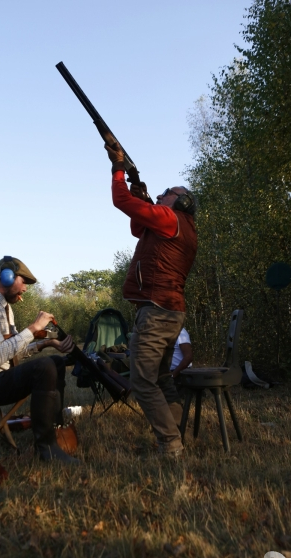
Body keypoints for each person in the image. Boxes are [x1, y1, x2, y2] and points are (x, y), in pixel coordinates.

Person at [103, 142, 197, 456]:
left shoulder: (171, 219)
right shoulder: (177, 225)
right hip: (171, 312)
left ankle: (170, 446)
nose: (160, 195)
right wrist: (139, 189)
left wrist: (118, 168)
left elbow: (120, 201)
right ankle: (176, 439)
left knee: (142, 380)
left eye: (166, 193)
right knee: (161, 378)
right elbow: (136, 226)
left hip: (156, 312)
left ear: (181, 201)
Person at [0, 255, 78, 464]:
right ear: (6, 277)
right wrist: (33, 329)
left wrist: (47, 344)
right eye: (23, 281)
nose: (25, 288)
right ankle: (46, 449)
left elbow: (12, 352)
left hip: (3, 377)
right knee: (44, 367)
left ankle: (56, 431)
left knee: (56, 362)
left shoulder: (5, 309)